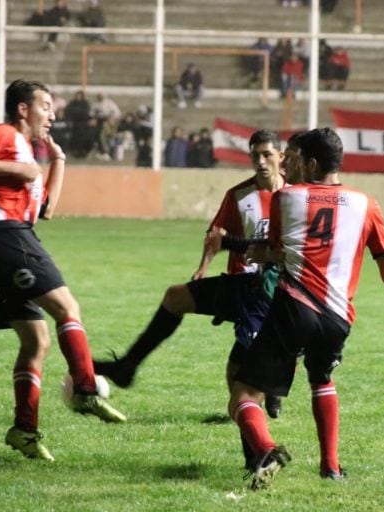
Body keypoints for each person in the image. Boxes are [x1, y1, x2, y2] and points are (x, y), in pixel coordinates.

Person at [225, 127, 384, 490]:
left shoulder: (287, 197)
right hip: (337, 318)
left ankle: (267, 450)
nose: (290, 162)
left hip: (294, 308)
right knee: (322, 379)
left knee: (242, 394)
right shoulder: (367, 203)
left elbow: (277, 250)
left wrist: (259, 252)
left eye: (296, 158)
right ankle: (330, 466)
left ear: (312, 163)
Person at [93, 129, 289, 469]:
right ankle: (128, 366)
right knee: (177, 298)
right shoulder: (239, 195)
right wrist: (203, 268)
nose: (260, 161)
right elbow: (215, 237)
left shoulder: (295, 197)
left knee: (239, 377)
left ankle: (260, 446)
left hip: (273, 291)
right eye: (254, 154)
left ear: (281, 156)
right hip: (243, 286)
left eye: (266, 154)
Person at [0, 79, 126, 463]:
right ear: (23, 109)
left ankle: (24, 430)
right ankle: (85, 388)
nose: (52, 113)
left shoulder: (30, 156)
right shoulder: (5, 135)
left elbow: (46, 210)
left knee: (36, 342)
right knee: (67, 307)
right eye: (45, 105)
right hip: (3, 236)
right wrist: (16, 166)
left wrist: (58, 161)